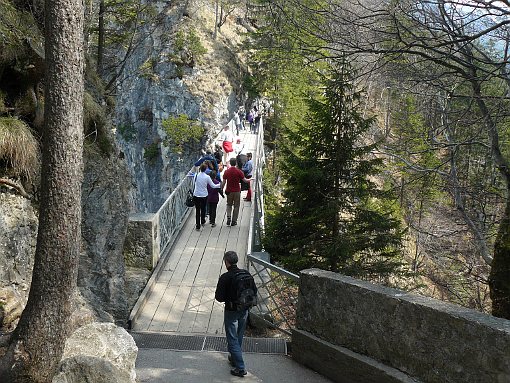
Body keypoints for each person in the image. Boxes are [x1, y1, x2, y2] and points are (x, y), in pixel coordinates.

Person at [215, 251, 256, 377]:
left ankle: (240, 368)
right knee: (238, 336)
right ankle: (234, 358)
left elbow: (219, 298)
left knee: (232, 339)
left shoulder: (225, 277)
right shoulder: (246, 273)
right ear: (236, 261)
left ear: (226, 262)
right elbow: (253, 290)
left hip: (231, 311)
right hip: (244, 309)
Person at [221, 158, 249, 227]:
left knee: (229, 204)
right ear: (235, 163)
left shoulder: (227, 171)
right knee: (236, 206)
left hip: (229, 191)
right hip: (237, 191)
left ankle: (228, 216)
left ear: (230, 163)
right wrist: (250, 180)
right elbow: (245, 180)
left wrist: (221, 189)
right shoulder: (239, 172)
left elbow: (224, 182)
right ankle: (234, 221)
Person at [193, 162, 221, 231]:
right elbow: (213, 186)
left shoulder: (196, 175)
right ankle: (202, 221)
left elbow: (194, 184)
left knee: (197, 210)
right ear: (205, 169)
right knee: (203, 208)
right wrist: (219, 184)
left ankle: (197, 225)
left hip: (196, 194)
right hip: (204, 195)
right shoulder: (207, 177)